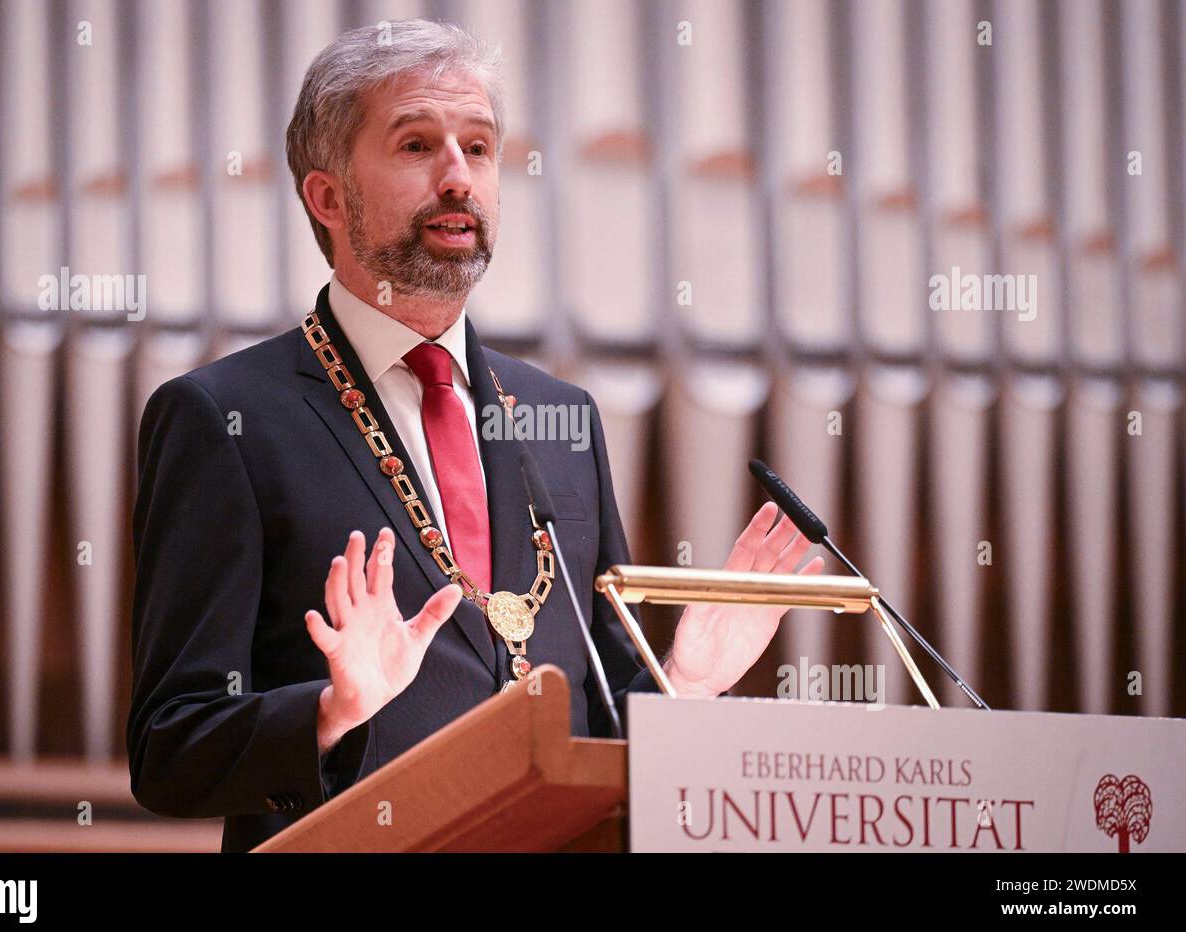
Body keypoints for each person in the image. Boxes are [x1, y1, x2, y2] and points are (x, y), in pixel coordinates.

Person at [126, 18, 822, 853]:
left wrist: (686, 679)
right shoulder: (224, 419)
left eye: (482, 148)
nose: (459, 177)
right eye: (417, 145)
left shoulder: (562, 420)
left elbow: (594, 724)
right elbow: (170, 747)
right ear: (328, 196)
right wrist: (329, 711)